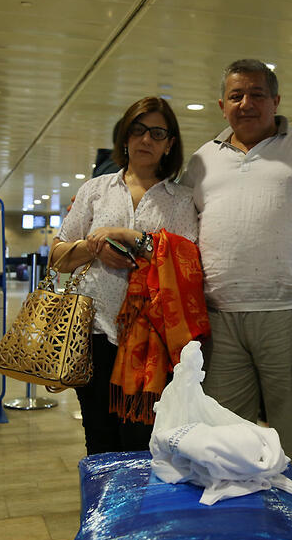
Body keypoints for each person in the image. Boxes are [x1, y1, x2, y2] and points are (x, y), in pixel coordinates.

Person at [184, 59, 292, 470]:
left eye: (257, 94)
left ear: (276, 101)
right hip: (220, 317)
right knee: (226, 433)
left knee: (289, 431)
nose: (246, 103)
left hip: (290, 314)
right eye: (236, 95)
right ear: (221, 104)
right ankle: (241, 521)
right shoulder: (201, 161)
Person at [52, 96, 199, 455]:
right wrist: (94, 247)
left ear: (170, 144)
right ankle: (100, 511)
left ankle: (136, 512)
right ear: (125, 136)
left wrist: (131, 238)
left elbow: (187, 264)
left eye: (157, 133)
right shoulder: (96, 190)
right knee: (98, 439)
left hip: (153, 344)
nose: (145, 140)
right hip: (94, 334)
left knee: (142, 444)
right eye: (137, 130)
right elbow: (58, 255)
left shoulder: (180, 200)